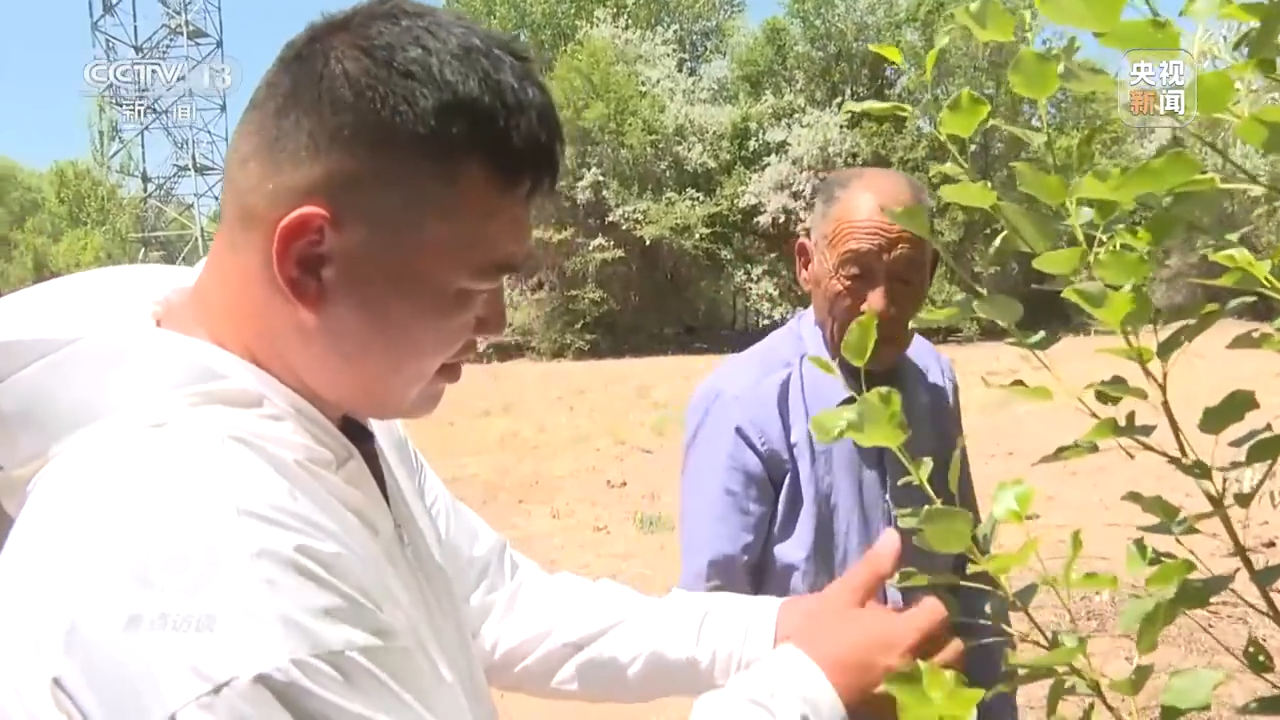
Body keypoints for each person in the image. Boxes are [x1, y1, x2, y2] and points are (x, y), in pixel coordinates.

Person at [0, 4, 963, 718]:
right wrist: (801, 695)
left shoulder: (315, 404)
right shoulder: (204, 589)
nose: (499, 323)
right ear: (308, 259)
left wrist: (774, 630)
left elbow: (502, 605)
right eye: (473, 283)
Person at [677, 168, 1017, 717]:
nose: (880, 305)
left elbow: (969, 570)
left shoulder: (934, 381)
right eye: (856, 274)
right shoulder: (742, 403)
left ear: (932, 272)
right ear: (807, 264)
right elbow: (714, 625)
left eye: (906, 278)